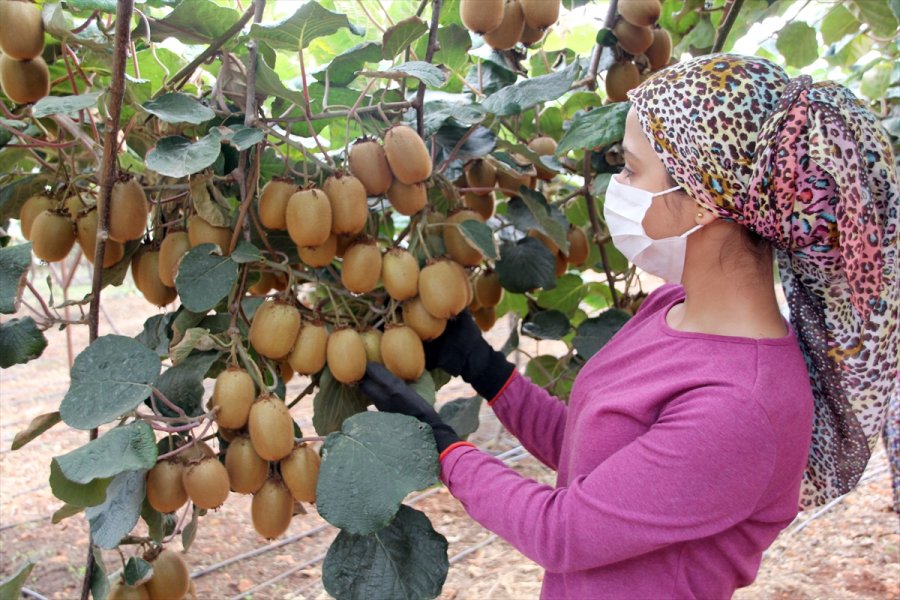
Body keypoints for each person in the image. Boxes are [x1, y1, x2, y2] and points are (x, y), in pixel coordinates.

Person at [360, 54, 899, 599]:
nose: (616, 183)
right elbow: (590, 454)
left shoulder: (743, 404)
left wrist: (443, 446)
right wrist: (487, 371)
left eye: (632, 169)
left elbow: (563, 531)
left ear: (703, 203)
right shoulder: (670, 307)